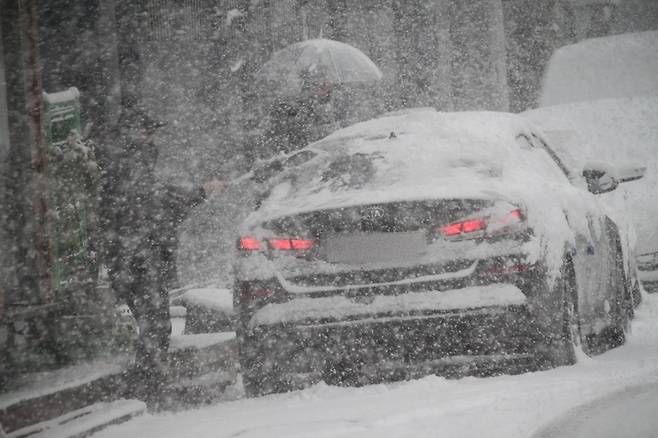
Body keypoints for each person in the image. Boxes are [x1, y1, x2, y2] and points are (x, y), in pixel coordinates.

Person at [98, 105, 222, 399]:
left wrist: (198, 193)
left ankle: (148, 384)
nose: (152, 136)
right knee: (155, 326)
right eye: (147, 131)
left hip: (136, 259)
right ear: (132, 134)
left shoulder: (129, 163)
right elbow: (156, 207)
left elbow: (158, 202)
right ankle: (148, 387)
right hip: (138, 260)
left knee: (154, 324)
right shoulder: (129, 164)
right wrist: (200, 193)